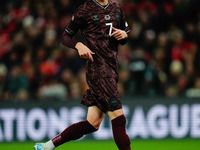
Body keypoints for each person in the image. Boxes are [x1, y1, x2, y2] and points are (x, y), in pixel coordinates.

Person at [33, 0, 131, 150]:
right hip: (98, 71)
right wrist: (78, 45)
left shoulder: (116, 7)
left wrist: (124, 35)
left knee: (93, 123)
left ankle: (48, 146)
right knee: (119, 119)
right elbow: (65, 37)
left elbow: (124, 34)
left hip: (112, 69)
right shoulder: (84, 10)